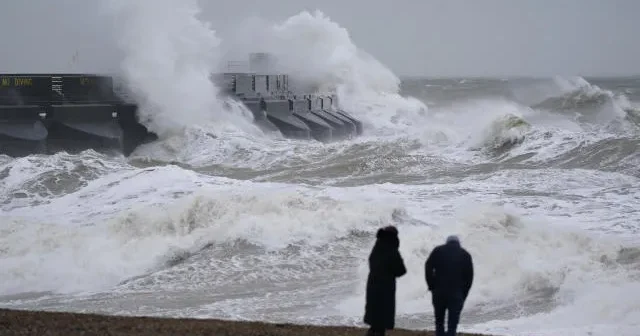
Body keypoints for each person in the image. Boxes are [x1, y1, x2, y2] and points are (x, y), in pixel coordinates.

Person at [424, 235, 474, 336]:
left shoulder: (438, 251)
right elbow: (469, 277)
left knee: (439, 322)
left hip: (439, 291)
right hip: (456, 293)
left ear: (447, 242)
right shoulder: (465, 254)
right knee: (452, 324)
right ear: (458, 243)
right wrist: (463, 294)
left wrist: (431, 285)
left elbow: (428, 267)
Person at [363, 225, 407, 336]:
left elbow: (371, 261)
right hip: (386, 287)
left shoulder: (377, 246)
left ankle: (372, 332)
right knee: (382, 317)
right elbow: (401, 270)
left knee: (374, 315)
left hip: (372, 283)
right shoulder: (392, 249)